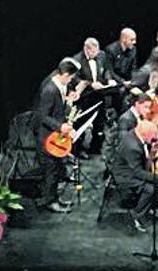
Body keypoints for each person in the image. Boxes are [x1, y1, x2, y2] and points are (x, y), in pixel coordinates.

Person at [34, 58, 81, 213]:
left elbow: (56, 110)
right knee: (50, 171)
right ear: (66, 75)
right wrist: (61, 126)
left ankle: (54, 198)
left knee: (56, 169)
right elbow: (43, 116)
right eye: (71, 78)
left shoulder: (60, 86)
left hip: (54, 137)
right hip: (46, 138)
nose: (71, 81)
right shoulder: (50, 90)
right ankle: (49, 201)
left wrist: (68, 102)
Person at [108, 120, 158, 233]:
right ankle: (136, 216)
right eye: (154, 136)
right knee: (150, 188)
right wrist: (157, 177)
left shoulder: (137, 134)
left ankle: (151, 209)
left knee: (157, 181)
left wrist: (153, 153)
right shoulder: (132, 146)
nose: (156, 138)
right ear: (146, 134)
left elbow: (142, 163)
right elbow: (137, 172)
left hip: (133, 168)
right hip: (125, 175)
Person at [72, 37, 117, 156]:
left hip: (99, 96)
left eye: (97, 51)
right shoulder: (77, 60)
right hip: (85, 98)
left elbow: (106, 70)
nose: (96, 54)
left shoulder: (101, 55)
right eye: (93, 52)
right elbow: (75, 78)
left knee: (99, 122)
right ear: (86, 49)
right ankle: (78, 149)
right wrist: (91, 84)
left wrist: (109, 79)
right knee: (81, 123)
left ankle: (96, 147)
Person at [103, 28, 139, 114]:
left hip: (127, 81)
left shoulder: (133, 50)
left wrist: (133, 81)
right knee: (121, 92)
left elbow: (133, 68)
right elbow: (109, 70)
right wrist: (122, 82)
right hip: (114, 81)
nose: (134, 42)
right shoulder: (111, 50)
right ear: (124, 39)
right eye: (132, 39)